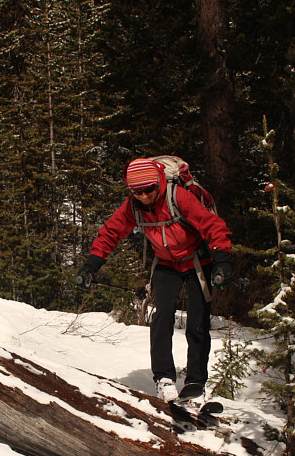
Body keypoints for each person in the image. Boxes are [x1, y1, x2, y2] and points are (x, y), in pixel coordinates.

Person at [76, 157, 233, 408]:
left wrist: (222, 260)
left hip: (197, 261)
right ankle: (164, 378)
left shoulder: (178, 197)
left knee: (197, 322)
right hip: (166, 263)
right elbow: (110, 232)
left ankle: (195, 383)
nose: (145, 195)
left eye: (149, 189)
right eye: (138, 192)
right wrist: (91, 266)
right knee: (161, 318)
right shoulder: (133, 206)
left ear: (158, 183)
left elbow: (212, 225)